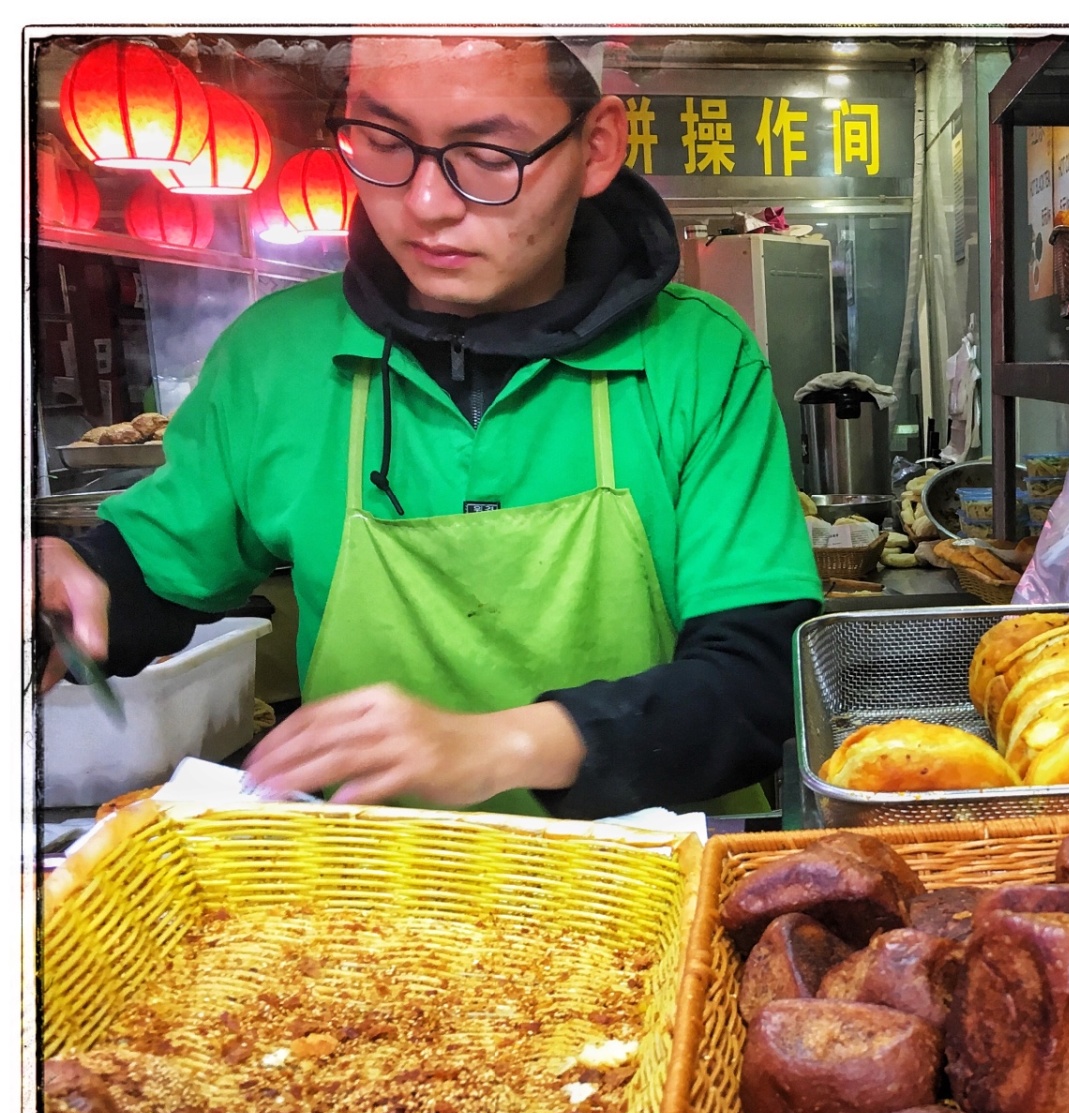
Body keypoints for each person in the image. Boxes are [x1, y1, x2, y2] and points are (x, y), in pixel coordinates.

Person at [36, 34, 821, 817]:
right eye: (383, 143)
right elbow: (151, 573)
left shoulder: (697, 357)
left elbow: (758, 677)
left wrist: (502, 745)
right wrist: (71, 584)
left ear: (596, 148)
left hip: (655, 873)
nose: (425, 204)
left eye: (486, 154)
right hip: (365, 888)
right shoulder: (277, 356)